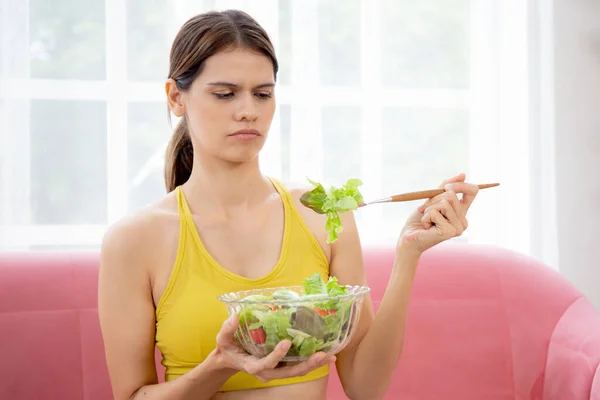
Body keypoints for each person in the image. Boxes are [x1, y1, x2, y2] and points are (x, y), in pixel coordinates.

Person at [98, 9, 480, 400]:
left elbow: (365, 387)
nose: (248, 110)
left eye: (263, 93)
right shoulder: (134, 241)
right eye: (225, 93)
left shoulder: (321, 213)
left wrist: (408, 255)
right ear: (176, 97)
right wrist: (222, 363)